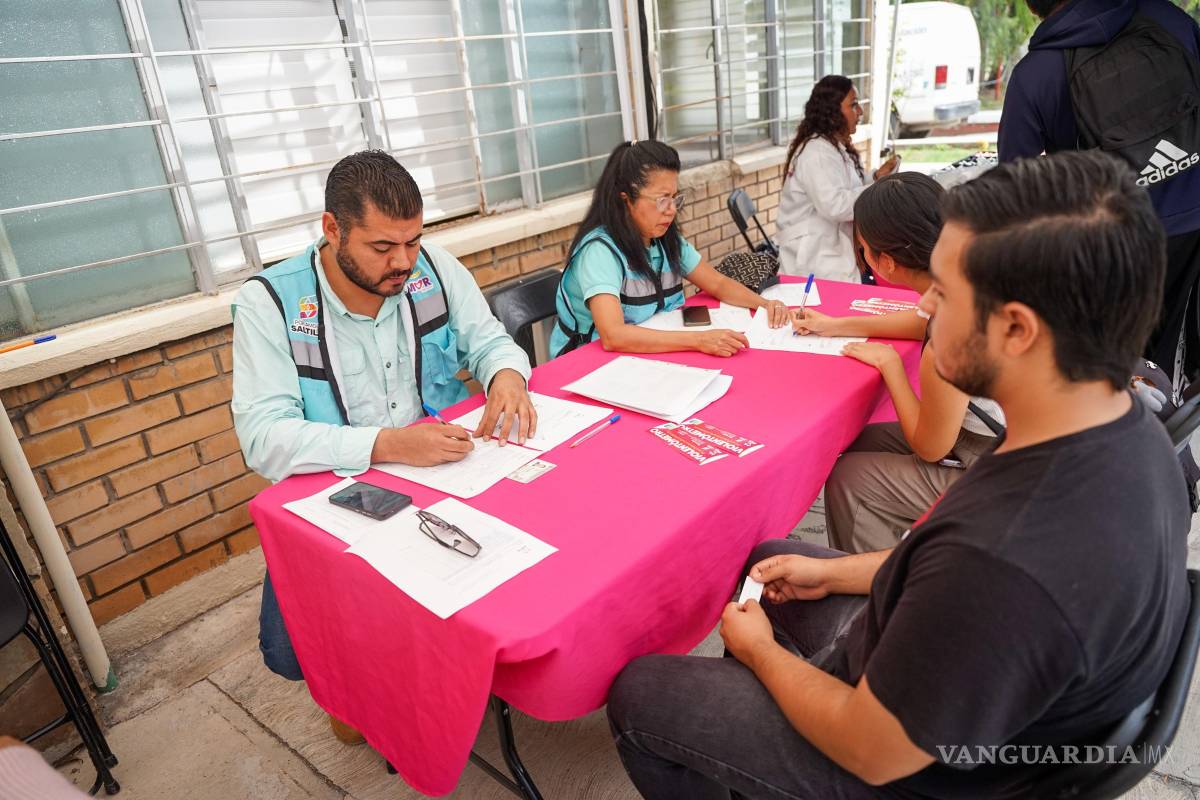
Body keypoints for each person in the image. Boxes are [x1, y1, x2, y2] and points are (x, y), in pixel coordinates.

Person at [606, 150, 1190, 799]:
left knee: (643, 692)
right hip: (946, 676)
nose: (923, 307)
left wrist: (759, 654)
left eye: (941, 292)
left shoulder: (1004, 564)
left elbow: (871, 751)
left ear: (1017, 329)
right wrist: (834, 570)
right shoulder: (1122, 433)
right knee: (775, 559)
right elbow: (937, 566)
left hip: (900, 765)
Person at [231, 150, 536, 741]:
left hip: (449, 472)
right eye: (382, 248)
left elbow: (490, 341)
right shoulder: (270, 303)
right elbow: (264, 439)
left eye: (413, 241)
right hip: (345, 492)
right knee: (325, 665)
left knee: (511, 575)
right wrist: (389, 445)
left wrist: (506, 376)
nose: (403, 263)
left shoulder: (434, 268)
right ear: (332, 229)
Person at [792, 173, 1004, 553]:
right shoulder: (967, 276)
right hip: (1006, 439)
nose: (921, 308)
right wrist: (836, 324)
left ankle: (874, 591)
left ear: (885, 262)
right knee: (858, 440)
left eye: (862, 250)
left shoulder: (949, 334)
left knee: (849, 479)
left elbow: (931, 448)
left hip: (1005, 470)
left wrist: (891, 366)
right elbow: (918, 321)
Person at [999, 0, 1200, 392]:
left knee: (1120, 370)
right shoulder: (1169, 19)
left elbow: (1012, 185)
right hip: (1195, 220)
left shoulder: (1035, 74)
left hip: (1114, 244)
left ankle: (1140, 441)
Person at [550, 140, 791, 359]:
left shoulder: (664, 238)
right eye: (662, 199)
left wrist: (764, 304)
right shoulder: (600, 252)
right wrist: (699, 340)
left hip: (650, 352)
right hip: (592, 365)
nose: (672, 209)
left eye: (675, 198)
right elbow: (614, 336)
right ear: (626, 200)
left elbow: (717, 283)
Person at [776, 75, 899, 282]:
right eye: (853, 105)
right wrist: (879, 188)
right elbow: (836, 206)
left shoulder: (831, 146)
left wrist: (876, 177)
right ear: (832, 111)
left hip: (828, 249)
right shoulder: (817, 153)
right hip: (814, 256)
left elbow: (845, 186)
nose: (859, 112)